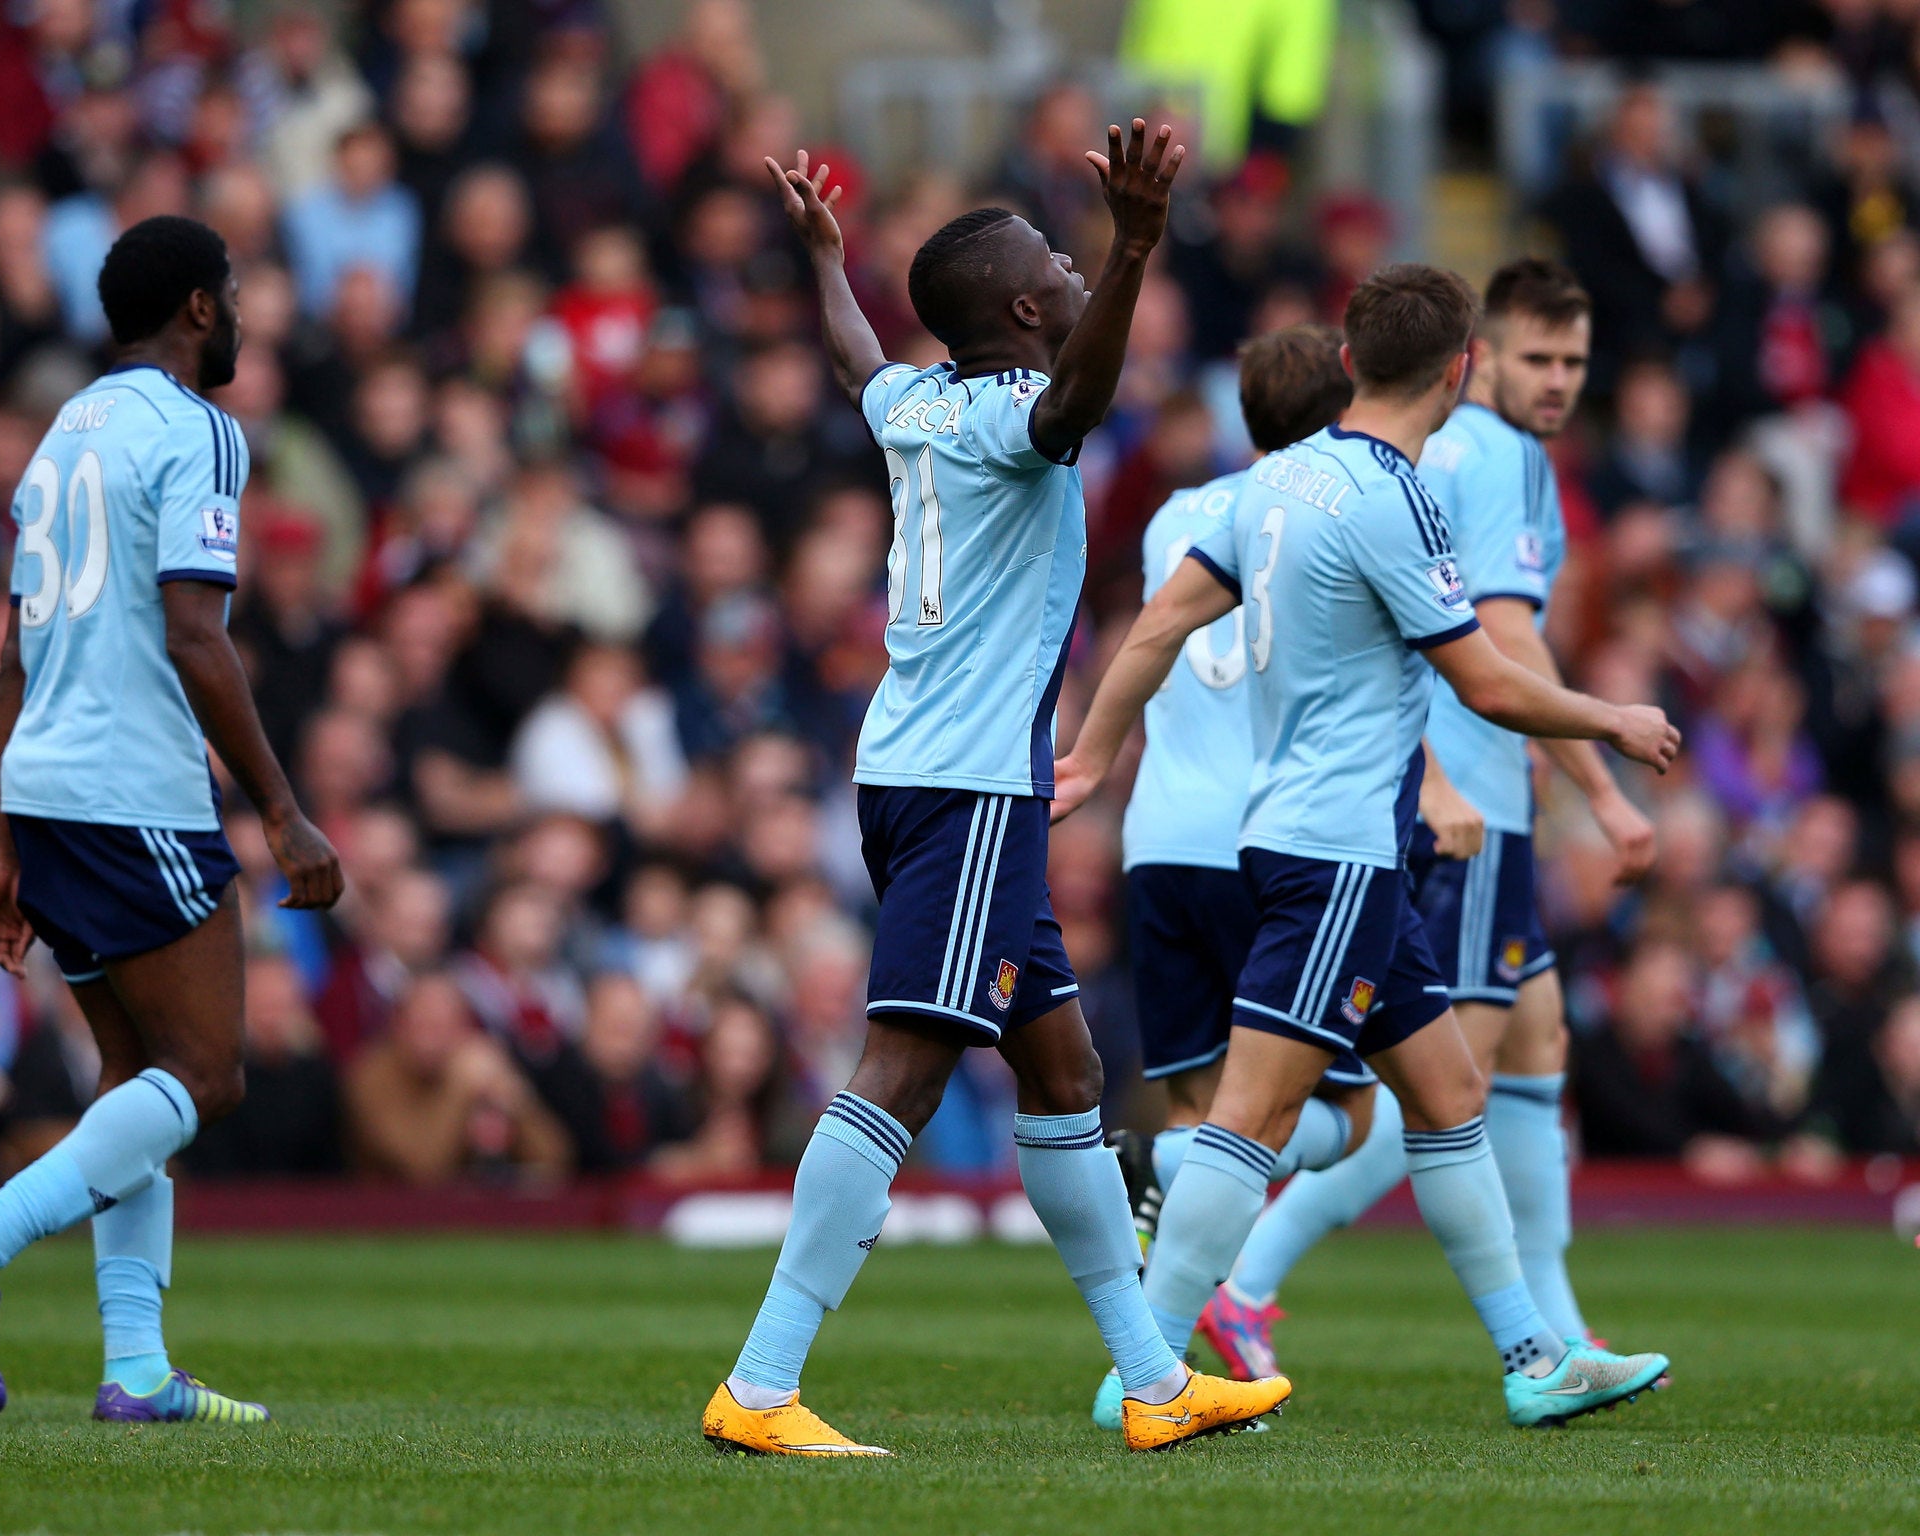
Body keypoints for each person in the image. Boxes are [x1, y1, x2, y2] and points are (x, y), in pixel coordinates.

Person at [703, 121, 1291, 1460]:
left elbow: (857, 358)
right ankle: (761, 1381)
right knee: (904, 1069)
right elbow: (1076, 404)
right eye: (1064, 270)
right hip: (966, 788)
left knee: (1066, 1070)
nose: (1081, 277)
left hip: (934, 773)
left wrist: (825, 260)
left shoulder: (915, 403)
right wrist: (1141, 241)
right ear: (1027, 311)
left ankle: (1151, 1379)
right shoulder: (1015, 429)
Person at [1052, 263, 1678, 1428]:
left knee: (1446, 1093)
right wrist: (1612, 719)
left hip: (1330, 852)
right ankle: (1141, 1378)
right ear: (1457, 373)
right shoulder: (1397, 499)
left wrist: (1091, 754)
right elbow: (1485, 681)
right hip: (1332, 852)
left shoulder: (1268, 482)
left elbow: (1155, 625)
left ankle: (1531, 1357)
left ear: (1349, 361)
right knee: (1254, 1120)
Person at [0, 215, 344, 1425]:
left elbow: (13, 652)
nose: (238, 313)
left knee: (134, 1075)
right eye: (231, 293)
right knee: (209, 1073)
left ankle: (135, 1368)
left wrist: (3, 841)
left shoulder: (62, 434)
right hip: (134, 785)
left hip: (47, 783)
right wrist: (284, 813)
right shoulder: (199, 431)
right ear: (197, 306)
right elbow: (196, 633)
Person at [1083, 323, 1386, 1431]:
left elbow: (1156, 633)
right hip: (1274, 837)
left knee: (1203, 1105)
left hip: (1159, 837)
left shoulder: (1175, 516)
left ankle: (1178, 1362)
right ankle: (1168, 1175)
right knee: (1341, 1112)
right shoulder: (1335, 511)